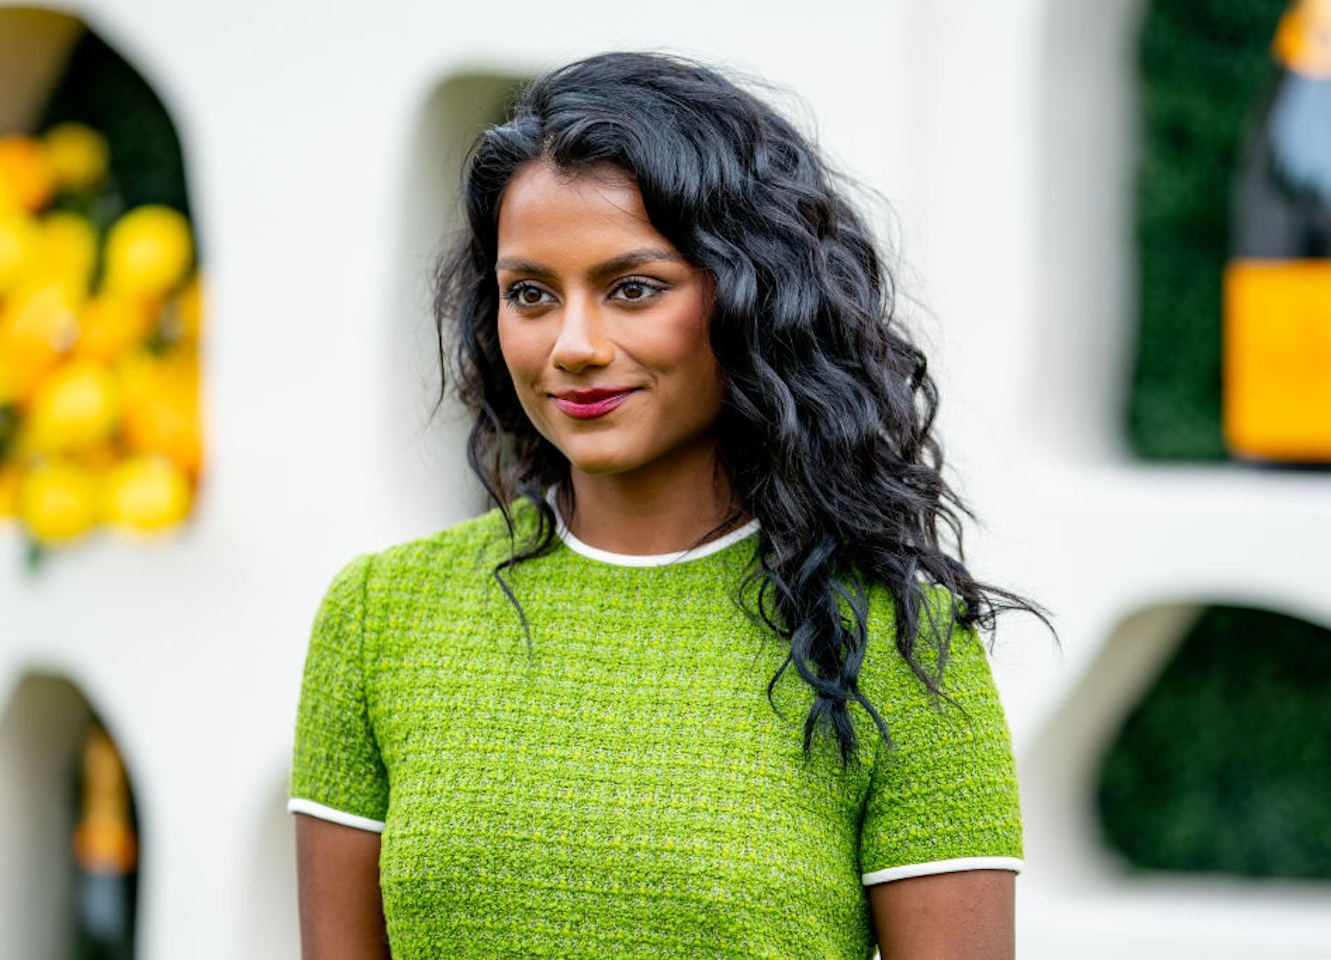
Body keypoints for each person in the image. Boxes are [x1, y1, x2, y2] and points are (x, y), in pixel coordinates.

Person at [289, 51, 1040, 960]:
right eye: (530, 293)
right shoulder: (382, 617)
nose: (572, 346)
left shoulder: (894, 643)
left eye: (632, 289)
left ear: (753, 295)